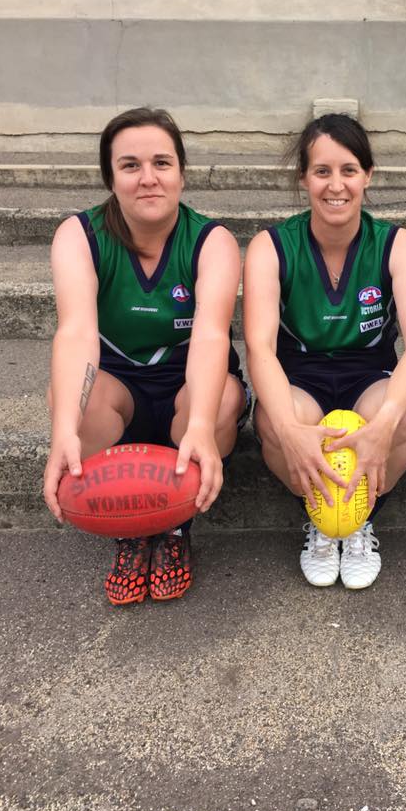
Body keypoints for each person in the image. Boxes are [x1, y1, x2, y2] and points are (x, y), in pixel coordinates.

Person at [43, 107, 249, 605]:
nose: (148, 178)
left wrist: (200, 424)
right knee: (72, 402)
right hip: (121, 389)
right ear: (110, 178)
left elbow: (210, 337)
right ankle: (130, 528)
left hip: (185, 386)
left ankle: (175, 528)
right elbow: (76, 332)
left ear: (181, 173)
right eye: (130, 165)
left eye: (161, 163)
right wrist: (63, 431)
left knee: (222, 400)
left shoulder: (211, 241)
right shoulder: (80, 235)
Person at [243, 114, 406, 589]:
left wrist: (385, 423)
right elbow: (259, 347)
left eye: (349, 170)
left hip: (369, 374)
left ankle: (358, 519)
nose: (336, 185)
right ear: (303, 178)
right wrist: (288, 429)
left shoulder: (397, 244)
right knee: (274, 419)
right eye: (322, 171)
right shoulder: (271, 246)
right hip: (300, 377)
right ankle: (325, 524)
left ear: (368, 175)